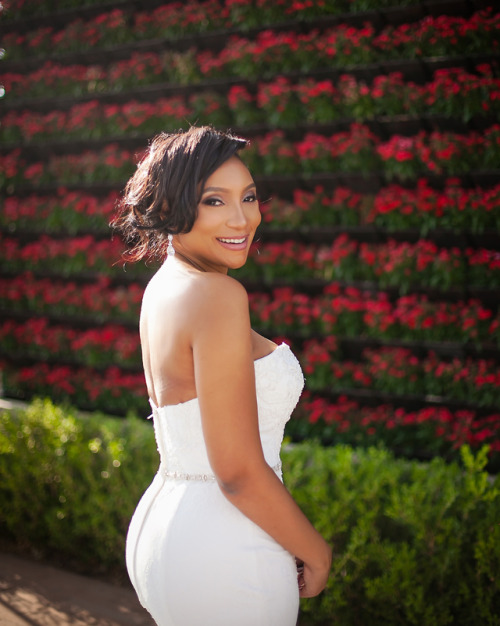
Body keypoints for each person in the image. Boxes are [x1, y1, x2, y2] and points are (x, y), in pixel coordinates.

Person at [112, 126, 331, 626]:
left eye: (249, 197)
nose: (242, 218)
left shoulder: (166, 284)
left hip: (167, 529)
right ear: (169, 209)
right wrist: (316, 553)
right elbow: (236, 472)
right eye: (215, 200)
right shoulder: (218, 296)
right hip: (226, 544)